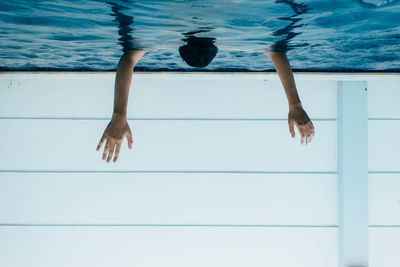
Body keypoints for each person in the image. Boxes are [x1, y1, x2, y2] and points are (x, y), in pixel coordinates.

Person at [96, 44, 315, 163]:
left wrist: (295, 105)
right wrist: (119, 115)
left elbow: (275, 51)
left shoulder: (230, 35)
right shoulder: (167, 36)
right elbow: (129, 58)